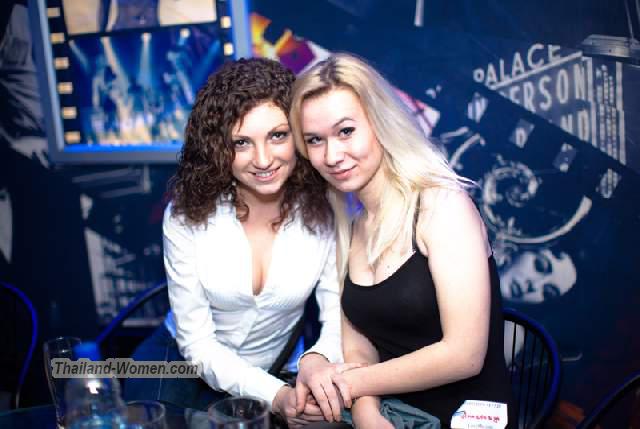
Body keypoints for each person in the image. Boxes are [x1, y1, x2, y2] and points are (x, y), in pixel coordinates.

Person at [125, 58, 356, 427]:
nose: (263, 160)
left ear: (298, 134)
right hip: (180, 366)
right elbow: (197, 344)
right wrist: (276, 395)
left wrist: (318, 361)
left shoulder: (327, 209)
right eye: (242, 142)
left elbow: (336, 319)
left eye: (277, 136)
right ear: (218, 147)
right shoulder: (186, 215)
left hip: (279, 370)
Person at [289, 53, 513, 428]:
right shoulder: (351, 227)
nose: (332, 155)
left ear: (380, 122)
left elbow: (465, 354)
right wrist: (366, 412)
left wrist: (350, 385)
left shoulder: (442, 206)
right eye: (315, 140)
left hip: (466, 418)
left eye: (346, 131)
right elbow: (358, 347)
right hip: (393, 413)